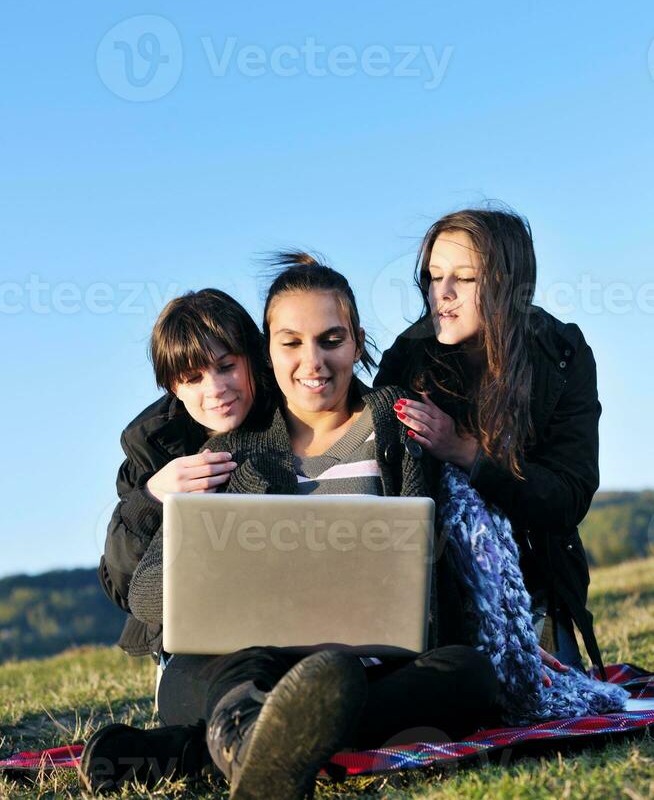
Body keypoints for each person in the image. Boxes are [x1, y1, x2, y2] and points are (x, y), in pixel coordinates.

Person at [82, 254, 499, 799]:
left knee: (469, 675)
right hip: (246, 670)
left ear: (356, 341)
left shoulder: (396, 427)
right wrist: (217, 558)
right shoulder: (229, 452)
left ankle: (204, 750)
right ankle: (268, 732)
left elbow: (447, 558)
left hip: (373, 666)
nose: (314, 362)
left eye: (331, 339)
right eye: (292, 342)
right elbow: (145, 597)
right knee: (208, 676)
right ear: (269, 352)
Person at [374, 206, 605, 675]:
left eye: (465, 278)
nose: (443, 294)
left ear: (505, 282)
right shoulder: (410, 354)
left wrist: (466, 452)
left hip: (533, 580)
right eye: (433, 276)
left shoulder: (561, 356)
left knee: (540, 691)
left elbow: (568, 497)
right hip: (435, 580)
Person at [97, 287, 272, 663]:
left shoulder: (287, 410)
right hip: (185, 636)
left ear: (252, 359)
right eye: (193, 378)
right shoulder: (150, 442)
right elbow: (122, 586)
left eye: (227, 367)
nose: (216, 389)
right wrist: (150, 498)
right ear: (173, 385)